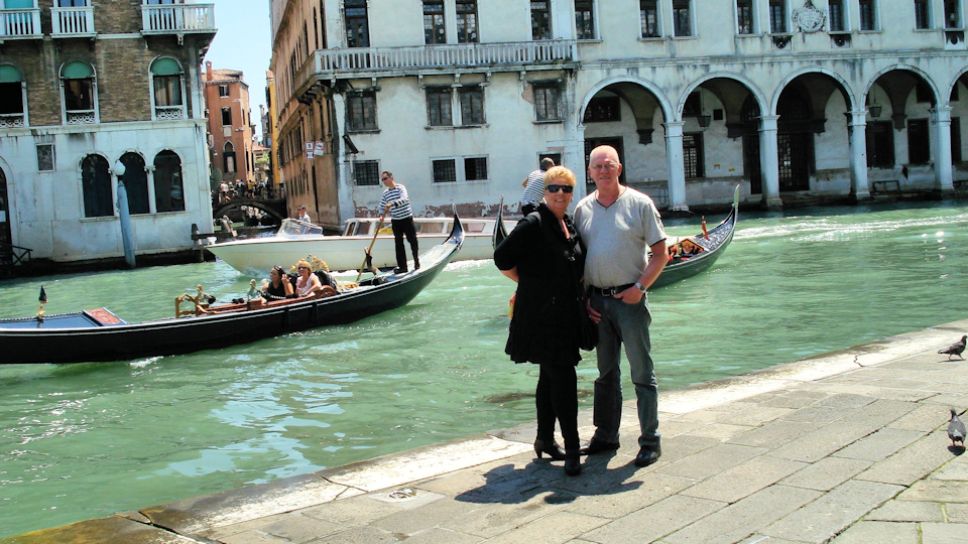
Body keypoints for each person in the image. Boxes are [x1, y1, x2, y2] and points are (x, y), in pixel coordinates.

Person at [574, 145, 668, 468]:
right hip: (597, 302)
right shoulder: (582, 210)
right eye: (597, 166)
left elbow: (660, 254)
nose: (603, 170)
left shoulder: (640, 204)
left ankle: (650, 440)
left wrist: (640, 288)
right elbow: (578, 259)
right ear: (590, 172)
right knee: (605, 374)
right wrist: (585, 299)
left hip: (630, 300)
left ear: (619, 168)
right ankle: (606, 435)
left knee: (642, 372)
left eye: (608, 164)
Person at [494, 165, 586, 477]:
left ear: (572, 194)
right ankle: (572, 449)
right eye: (553, 189)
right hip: (542, 316)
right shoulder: (534, 223)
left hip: (567, 315)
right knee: (564, 377)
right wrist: (527, 284)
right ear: (544, 193)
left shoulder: (568, 224)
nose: (560, 194)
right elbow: (502, 258)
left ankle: (545, 439)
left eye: (566, 189)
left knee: (550, 376)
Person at [379, 171, 419, 273]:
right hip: (396, 221)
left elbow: (404, 199)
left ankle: (416, 262)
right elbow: (382, 205)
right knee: (398, 244)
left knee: (412, 241)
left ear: (391, 178)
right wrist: (380, 215)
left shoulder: (401, 188)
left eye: (385, 178)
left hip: (407, 219)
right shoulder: (385, 193)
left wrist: (392, 204)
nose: (384, 181)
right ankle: (403, 267)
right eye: (382, 179)